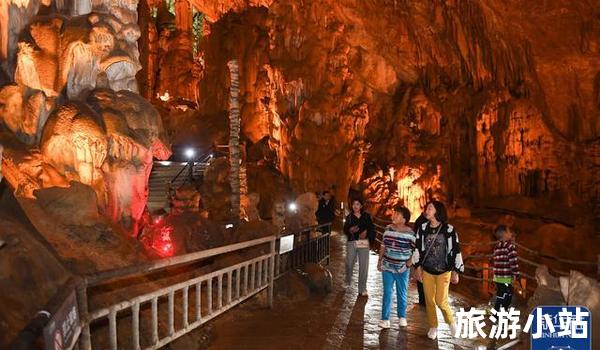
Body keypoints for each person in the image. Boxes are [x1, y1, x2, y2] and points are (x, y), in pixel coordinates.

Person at [414, 201, 464, 340]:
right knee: (429, 300)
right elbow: (417, 248)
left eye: (430, 208)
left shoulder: (448, 229)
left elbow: (455, 250)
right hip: (427, 270)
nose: (427, 210)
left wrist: (456, 270)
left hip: (444, 271)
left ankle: (451, 322)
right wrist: (417, 267)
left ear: (437, 211)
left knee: (441, 300)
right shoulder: (422, 228)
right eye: (427, 208)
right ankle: (433, 326)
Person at [377, 206, 416, 329]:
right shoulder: (388, 229)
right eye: (394, 213)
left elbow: (416, 251)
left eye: (397, 214)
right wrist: (380, 260)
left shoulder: (410, 233)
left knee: (402, 292)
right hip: (388, 266)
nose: (394, 216)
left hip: (402, 268)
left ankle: (402, 316)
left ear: (404, 219)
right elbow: (383, 245)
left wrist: (408, 264)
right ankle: (385, 319)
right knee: (387, 292)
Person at [343, 198, 375, 297]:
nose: (355, 206)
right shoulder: (349, 217)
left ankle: (362, 288)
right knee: (349, 263)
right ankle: (348, 279)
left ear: (361, 206)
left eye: (357, 204)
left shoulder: (366, 216)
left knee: (363, 266)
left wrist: (367, 236)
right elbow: (345, 229)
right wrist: (350, 230)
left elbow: (372, 229)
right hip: (352, 242)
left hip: (362, 242)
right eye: (353, 204)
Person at [492, 225, 519, 311]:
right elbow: (513, 262)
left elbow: (496, 262)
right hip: (506, 278)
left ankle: (495, 316)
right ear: (505, 234)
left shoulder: (496, 247)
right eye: (509, 231)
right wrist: (516, 274)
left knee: (500, 296)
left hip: (497, 278)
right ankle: (501, 316)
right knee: (507, 298)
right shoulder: (510, 246)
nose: (511, 233)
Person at [413, 212, 428, 306]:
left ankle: (424, 300)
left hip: (426, 254)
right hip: (422, 254)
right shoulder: (421, 221)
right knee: (422, 277)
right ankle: (424, 300)